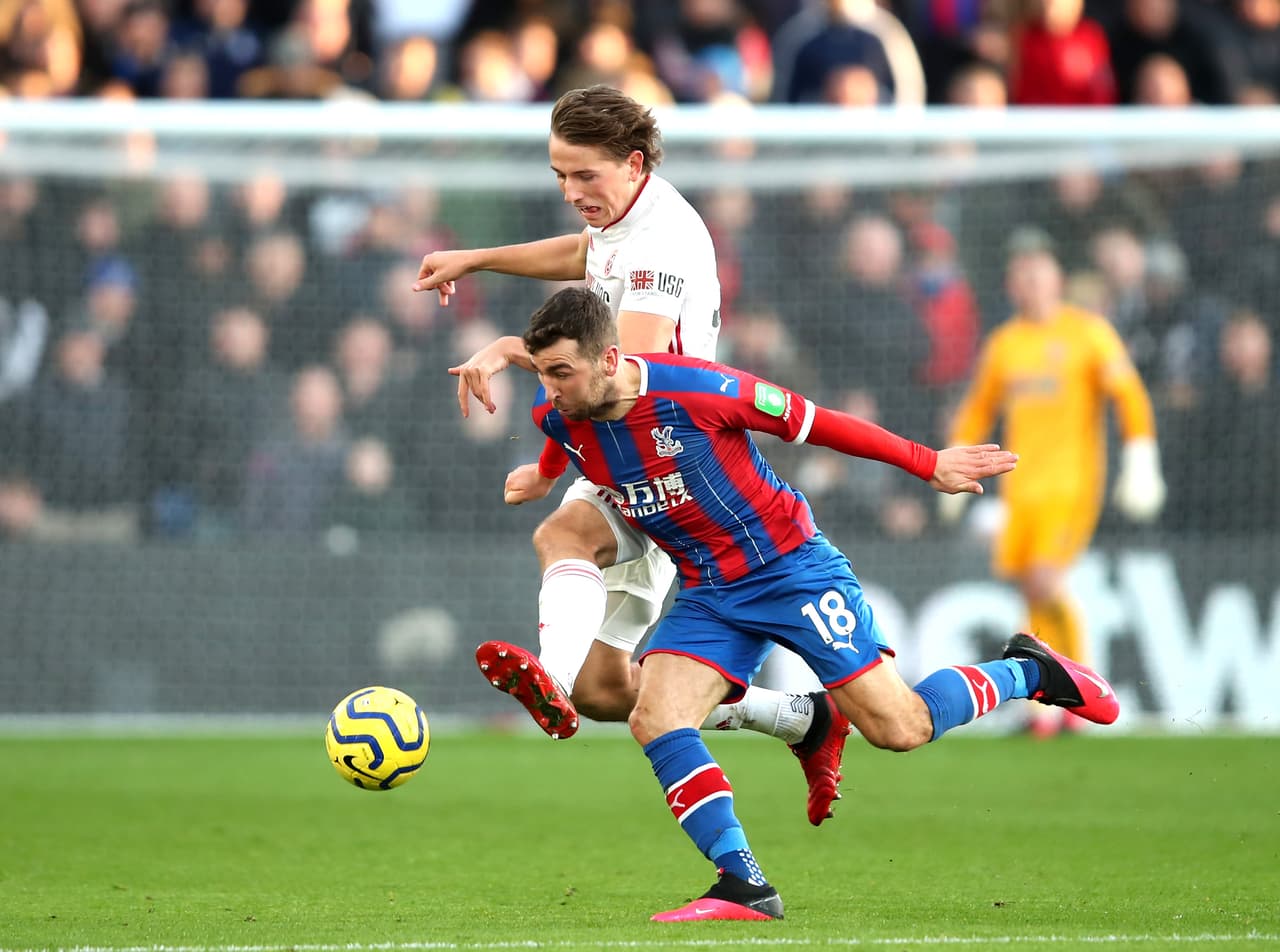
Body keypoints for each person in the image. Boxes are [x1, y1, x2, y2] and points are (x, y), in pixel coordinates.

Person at [508, 286, 1118, 922]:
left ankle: (1029, 670)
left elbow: (819, 422)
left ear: (609, 359)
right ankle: (743, 884)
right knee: (654, 717)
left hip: (791, 570)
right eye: (545, 373)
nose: (551, 390)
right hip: (711, 592)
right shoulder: (559, 414)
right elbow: (563, 439)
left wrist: (928, 462)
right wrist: (543, 477)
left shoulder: (699, 390)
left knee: (899, 727)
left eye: (561, 373)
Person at [414, 84, 851, 827]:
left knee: (562, 536)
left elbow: (624, 376)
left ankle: (543, 678)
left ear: (634, 162)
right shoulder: (627, 217)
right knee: (605, 689)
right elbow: (585, 253)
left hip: (666, 452)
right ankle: (800, 719)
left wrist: (503, 348)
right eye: (559, 176)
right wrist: (478, 258)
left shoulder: (663, 243)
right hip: (631, 451)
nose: (571, 192)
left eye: (584, 175)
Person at [942, 231, 1165, 738]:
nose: (1031, 287)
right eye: (1022, 279)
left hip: (1071, 483)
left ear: (1057, 281)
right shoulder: (1006, 344)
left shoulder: (1089, 333)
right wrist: (955, 460)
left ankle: (1081, 694)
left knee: (1045, 580)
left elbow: (1128, 393)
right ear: (1011, 286)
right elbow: (979, 407)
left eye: (1039, 277)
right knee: (1030, 587)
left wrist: (1141, 454)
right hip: (1021, 488)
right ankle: (1041, 709)